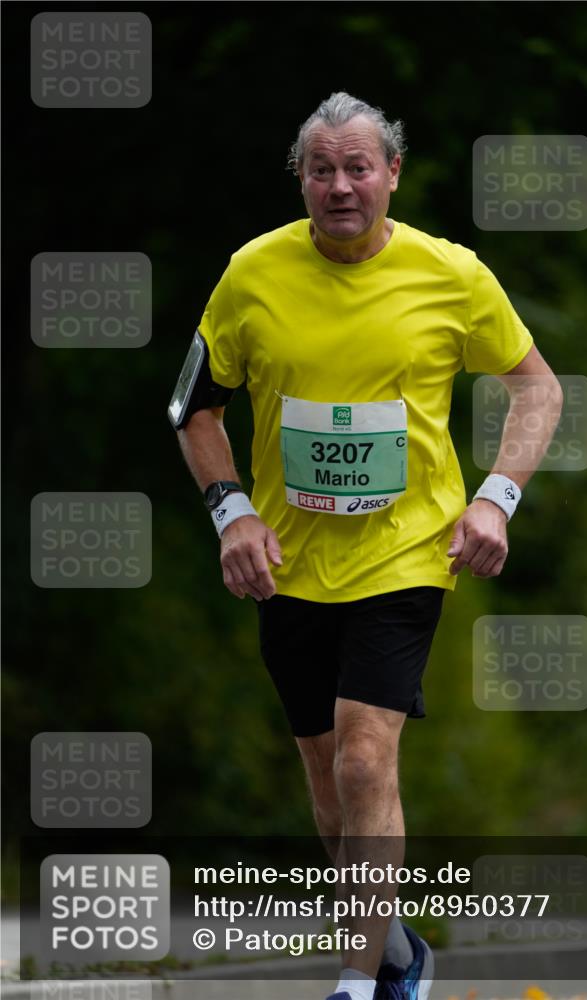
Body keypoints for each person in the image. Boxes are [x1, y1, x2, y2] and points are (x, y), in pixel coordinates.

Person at [169, 92, 563, 1000]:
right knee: (323, 773)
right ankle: (393, 949)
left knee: (361, 756)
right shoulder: (250, 274)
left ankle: (357, 983)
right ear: (300, 180)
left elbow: (537, 390)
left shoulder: (451, 274)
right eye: (321, 170)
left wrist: (494, 500)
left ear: (392, 173)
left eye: (357, 168)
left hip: (405, 553)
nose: (340, 186)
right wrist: (232, 512)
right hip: (289, 563)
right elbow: (193, 408)